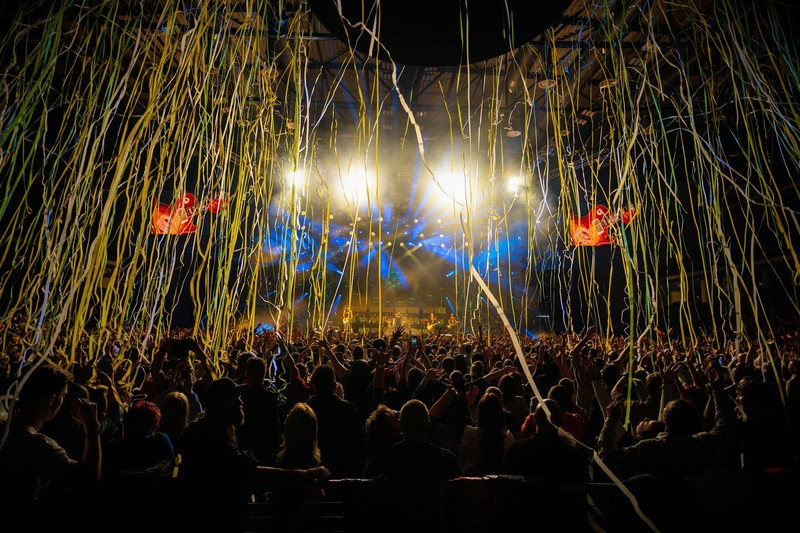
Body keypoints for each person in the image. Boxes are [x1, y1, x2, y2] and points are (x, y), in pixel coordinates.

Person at [175, 377, 330, 532]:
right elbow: (250, 473)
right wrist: (304, 475)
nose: (241, 403)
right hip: (213, 521)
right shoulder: (211, 437)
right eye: (234, 399)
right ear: (217, 405)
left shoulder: (203, 431)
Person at [0, 361, 101, 532]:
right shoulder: (38, 446)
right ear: (52, 400)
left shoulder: (5, 428)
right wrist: (92, 428)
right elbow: (88, 479)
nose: (63, 402)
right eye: (63, 396)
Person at [306, 364, 367, 478]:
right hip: (344, 470)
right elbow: (360, 443)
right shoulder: (349, 409)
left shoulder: (307, 409)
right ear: (334, 385)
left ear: (314, 385)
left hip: (315, 472)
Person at [237, 356, 282, 466]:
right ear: (265, 373)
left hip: (243, 450)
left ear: (246, 373)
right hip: (266, 452)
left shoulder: (238, 395)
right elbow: (277, 427)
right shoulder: (272, 398)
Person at [458, 392, 515, 475]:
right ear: (500, 414)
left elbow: (462, 461)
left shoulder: (470, 434)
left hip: (472, 484)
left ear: (479, 413)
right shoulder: (508, 438)